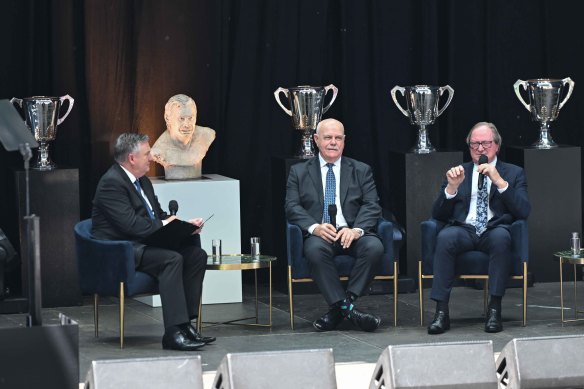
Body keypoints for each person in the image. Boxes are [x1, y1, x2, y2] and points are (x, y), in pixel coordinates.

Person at [91, 133, 216, 350]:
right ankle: (173, 332)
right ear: (132, 158)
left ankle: (185, 325)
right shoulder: (111, 183)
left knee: (196, 255)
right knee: (172, 259)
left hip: (146, 244)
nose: (151, 158)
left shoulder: (144, 182)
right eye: (147, 154)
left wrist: (185, 227)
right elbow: (130, 226)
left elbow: (158, 215)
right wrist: (167, 224)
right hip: (122, 250)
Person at [427, 122, 530, 335]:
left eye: (485, 143)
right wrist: (451, 188)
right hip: (465, 229)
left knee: (502, 238)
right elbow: (437, 214)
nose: (480, 149)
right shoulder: (459, 171)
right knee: (445, 237)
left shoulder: (513, 173)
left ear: (497, 146)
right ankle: (441, 312)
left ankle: (494, 309)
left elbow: (523, 211)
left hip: (494, 229)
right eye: (475, 144)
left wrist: (499, 182)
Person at [285, 118, 383, 332]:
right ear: (316, 140)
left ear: (344, 141)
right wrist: (315, 227)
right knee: (314, 250)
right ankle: (348, 310)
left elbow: (372, 205)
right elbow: (292, 207)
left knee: (374, 247)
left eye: (338, 138)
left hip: (352, 231)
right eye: (328, 137)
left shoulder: (361, 169)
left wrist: (356, 230)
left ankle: (340, 308)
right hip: (321, 234)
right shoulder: (299, 172)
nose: (333, 142)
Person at [151, 94, 215, 179]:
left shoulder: (207, 135)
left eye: (190, 118)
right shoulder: (159, 150)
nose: (187, 125)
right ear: (167, 118)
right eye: (181, 119)